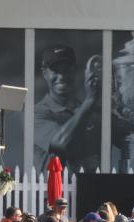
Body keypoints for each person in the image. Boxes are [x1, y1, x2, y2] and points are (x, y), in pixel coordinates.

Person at [34, 44, 101, 173]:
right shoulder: (36, 113)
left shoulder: (93, 112)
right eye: (55, 70)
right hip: (52, 193)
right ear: (44, 73)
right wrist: (90, 101)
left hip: (91, 191)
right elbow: (60, 142)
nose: (62, 76)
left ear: (74, 70)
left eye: (66, 69)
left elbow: (126, 135)